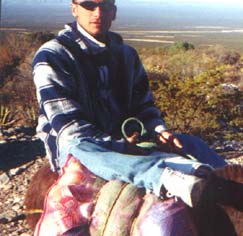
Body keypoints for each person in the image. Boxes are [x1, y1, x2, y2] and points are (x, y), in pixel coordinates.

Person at [32, 0, 226, 207]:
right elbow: (72, 130)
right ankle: (164, 178)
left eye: (105, 6)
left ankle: (236, 183)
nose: (98, 13)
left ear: (113, 12)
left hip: (127, 139)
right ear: (74, 9)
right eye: (88, 5)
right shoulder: (52, 56)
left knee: (192, 143)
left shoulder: (127, 55)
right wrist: (121, 146)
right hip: (88, 146)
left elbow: (143, 106)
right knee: (81, 149)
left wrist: (159, 130)